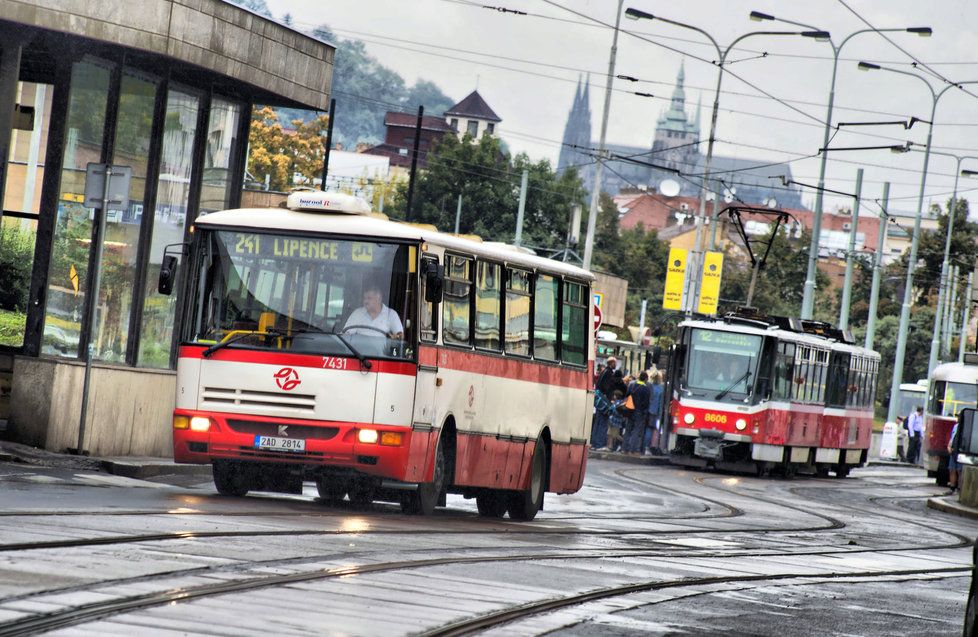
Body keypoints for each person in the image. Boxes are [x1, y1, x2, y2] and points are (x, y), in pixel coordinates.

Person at [623, 371, 652, 455]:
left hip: (630, 410)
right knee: (636, 431)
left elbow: (627, 395)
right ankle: (633, 449)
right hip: (639, 412)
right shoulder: (646, 389)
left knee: (628, 429)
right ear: (646, 379)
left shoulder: (632, 385)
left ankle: (624, 448)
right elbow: (646, 403)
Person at [644, 370, 665, 455]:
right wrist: (660, 416)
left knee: (645, 429)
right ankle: (648, 448)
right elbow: (660, 403)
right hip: (654, 412)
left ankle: (643, 446)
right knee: (651, 429)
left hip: (646, 410)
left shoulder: (648, 386)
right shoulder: (661, 389)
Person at [949, 419, 962, 493]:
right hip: (954, 450)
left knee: (960, 470)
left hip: (961, 451)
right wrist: (949, 445)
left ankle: (959, 488)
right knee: (952, 469)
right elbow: (952, 436)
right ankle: (952, 487)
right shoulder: (956, 426)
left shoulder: (966, 426)